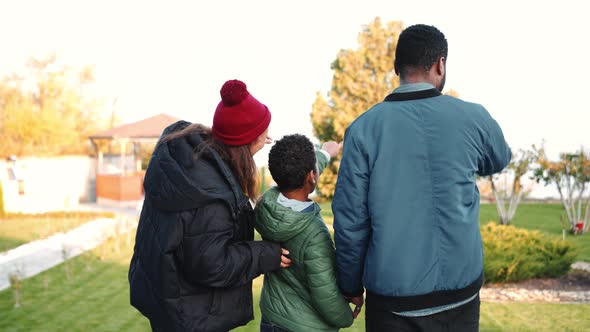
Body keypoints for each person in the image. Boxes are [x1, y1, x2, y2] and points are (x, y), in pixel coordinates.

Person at [332, 24, 511, 332]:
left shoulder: (362, 130)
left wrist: (349, 284)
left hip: (393, 302)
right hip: (461, 295)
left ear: (395, 67)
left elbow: (350, 221)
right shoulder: (474, 117)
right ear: (440, 64)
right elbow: (498, 159)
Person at [128, 79, 292, 332]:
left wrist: (250, 143)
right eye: (261, 135)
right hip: (190, 315)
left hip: (168, 300)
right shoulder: (211, 193)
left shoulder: (189, 162)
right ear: (245, 142)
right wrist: (265, 254)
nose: (264, 140)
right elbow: (213, 265)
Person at [254, 134, 354, 332]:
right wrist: (347, 317)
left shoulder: (267, 207)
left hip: (272, 319)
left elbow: (301, 169)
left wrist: (326, 152)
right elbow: (326, 296)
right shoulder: (315, 236)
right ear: (311, 176)